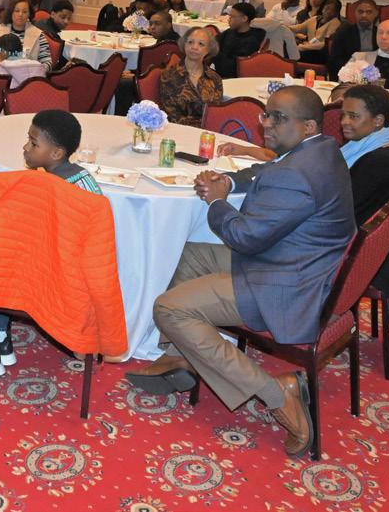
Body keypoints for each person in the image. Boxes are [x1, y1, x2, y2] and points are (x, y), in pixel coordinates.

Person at [130, 87, 354, 458]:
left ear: (309, 125)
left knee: (169, 308)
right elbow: (271, 169)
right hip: (294, 262)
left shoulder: (298, 176)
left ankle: (276, 393)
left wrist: (217, 201)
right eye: (267, 114)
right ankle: (183, 353)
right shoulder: (322, 150)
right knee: (185, 255)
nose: (267, 124)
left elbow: (245, 237)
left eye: (279, 118)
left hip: (286, 285)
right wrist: (230, 182)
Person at [0, 109, 101, 376]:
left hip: (48, 283)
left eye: (33, 144)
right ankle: (0, 338)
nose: (25, 148)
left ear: (56, 153)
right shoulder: (87, 181)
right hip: (79, 280)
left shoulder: (41, 189)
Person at [338, 85, 389, 223]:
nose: (344, 122)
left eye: (353, 116)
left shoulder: (380, 161)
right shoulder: (370, 144)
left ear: (378, 121)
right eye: (343, 115)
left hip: (347, 227)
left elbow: (343, 206)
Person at [159, 27, 224, 126]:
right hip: (179, 129)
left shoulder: (215, 78)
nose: (194, 47)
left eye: (201, 44)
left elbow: (216, 112)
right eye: (190, 42)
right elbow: (171, 115)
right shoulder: (170, 76)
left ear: (208, 50)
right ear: (184, 45)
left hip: (209, 130)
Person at [0, 0, 52, 71]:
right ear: (11, 12)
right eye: (17, 11)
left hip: (27, 74)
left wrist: (35, 72)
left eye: (24, 12)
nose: (20, 14)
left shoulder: (39, 35)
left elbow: (47, 62)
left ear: (29, 14)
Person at [328, 0, 379, 76]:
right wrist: (353, 69)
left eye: (369, 12)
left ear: (376, 13)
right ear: (355, 13)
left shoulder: (381, 34)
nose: (364, 15)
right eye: (360, 12)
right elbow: (335, 59)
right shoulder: (344, 32)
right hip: (348, 73)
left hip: (374, 74)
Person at [213, 2, 264, 78]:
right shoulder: (229, 32)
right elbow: (213, 44)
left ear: (244, 18)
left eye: (232, 16)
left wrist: (215, 56)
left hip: (232, 78)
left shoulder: (251, 40)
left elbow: (234, 66)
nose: (229, 19)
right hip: (218, 72)